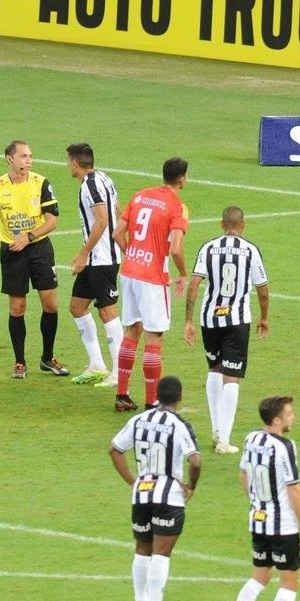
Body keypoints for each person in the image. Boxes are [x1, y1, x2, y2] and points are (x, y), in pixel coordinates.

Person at [109, 376, 201, 601]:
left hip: (142, 493)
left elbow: (115, 449)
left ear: (157, 395)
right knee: (162, 552)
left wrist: (133, 481)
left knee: (142, 549)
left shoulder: (138, 420)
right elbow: (195, 461)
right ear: (180, 397)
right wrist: (191, 487)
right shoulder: (179, 424)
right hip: (168, 495)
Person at [184, 206, 270, 454]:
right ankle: (224, 439)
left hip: (209, 319)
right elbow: (263, 290)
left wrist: (188, 321)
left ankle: (215, 429)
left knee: (215, 369)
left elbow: (195, 284)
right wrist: (264, 318)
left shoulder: (208, 248)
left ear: (222, 224)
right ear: (243, 225)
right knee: (232, 376)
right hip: (237, 319)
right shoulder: (250, 250)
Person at [224, 396, 300, 601]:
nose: (292, 417)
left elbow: (243, 474)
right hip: (282, 526)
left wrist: (255, 502)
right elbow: (293, 488)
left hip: (258, 520)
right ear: (276, 420)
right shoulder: (285, 446)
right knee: (289, 584)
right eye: (289, 413)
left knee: (259, 577)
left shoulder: (251, 438)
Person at [0, 140, 67, 379]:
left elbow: (52, 221)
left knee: (50, 304)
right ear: (9, 158)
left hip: (39, 249)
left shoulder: (41, 183)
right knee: (17, 308)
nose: (28, 161)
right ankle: (20, 362)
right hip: (13, 252)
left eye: (30, 156)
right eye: (23, 156)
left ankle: (47, 358)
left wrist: (28, 237)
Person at [111, 158, 189, 411]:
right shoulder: (177, 206)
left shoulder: (140, 196)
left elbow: (116, 233)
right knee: (154, 336)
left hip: (130, 272)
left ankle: (122, 395)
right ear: (183, 178)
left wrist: (131, 253)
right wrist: (182, 274)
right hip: (153, 277)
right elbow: (176, 248)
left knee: (132, 330)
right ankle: (151, 402)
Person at [65, 142, 124, 386]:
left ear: (75, 163)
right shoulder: (105, 178)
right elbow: (119, 213)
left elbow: (102, 220)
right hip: (97, 259)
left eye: (68, 161)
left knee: (107, 311)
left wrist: (83, 254)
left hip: (102, 259)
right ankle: (97, 365)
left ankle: (120, 373)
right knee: (77, 307)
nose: (67, 165)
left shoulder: (89, 185)